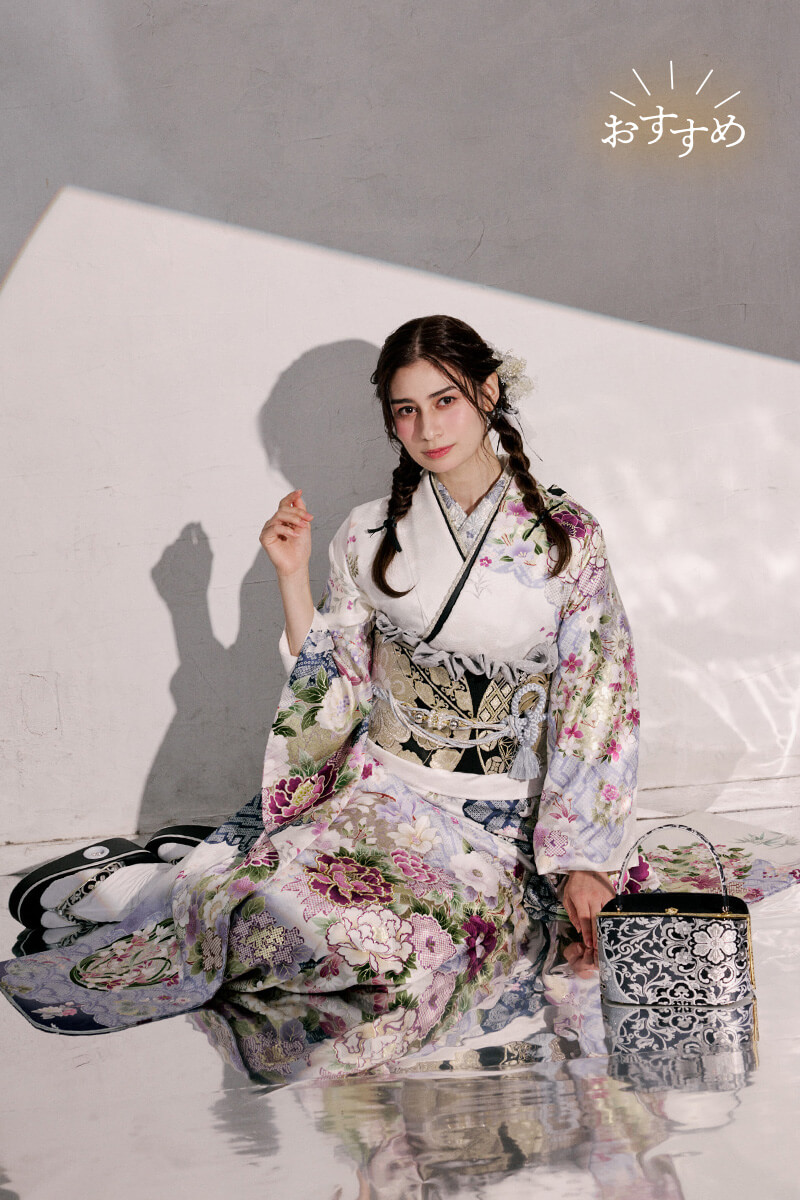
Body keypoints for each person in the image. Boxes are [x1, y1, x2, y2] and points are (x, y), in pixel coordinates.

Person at [0, 315, 639, 1072]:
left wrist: (584, 860)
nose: (428, 428)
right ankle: (150, 886)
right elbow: (333, 683)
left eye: (446, 401)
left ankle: (183, 872)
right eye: (406, 410)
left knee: (392, 956)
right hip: (389, 795)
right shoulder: (368, 534)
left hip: (503, 824)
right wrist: (291, 574)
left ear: (488, 391)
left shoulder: (566, 537)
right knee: (273, 921)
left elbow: (598, 699)